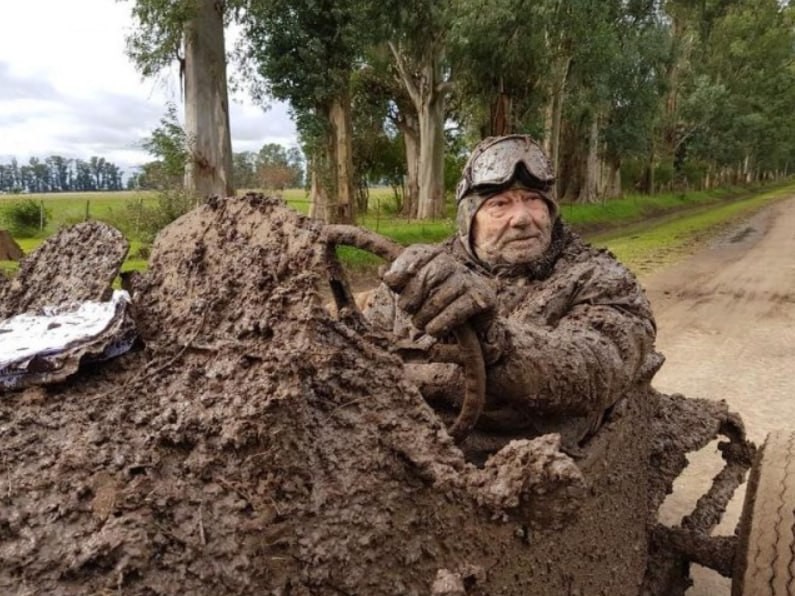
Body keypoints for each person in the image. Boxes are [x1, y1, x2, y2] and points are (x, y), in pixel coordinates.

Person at [362, 134, 662, 450]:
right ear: (469, 218)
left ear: (550, 210)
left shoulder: (600, 276)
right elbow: (362, 358)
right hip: (405, 449)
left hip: (536, 462)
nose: (521, 218)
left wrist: (497, 343)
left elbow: (599, 364)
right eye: (500, 204)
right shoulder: (423, 274)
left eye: (533, 200)